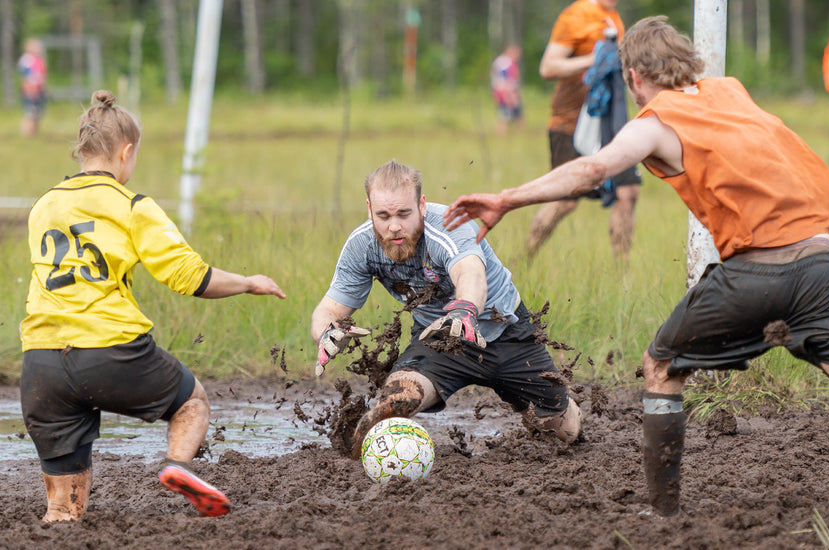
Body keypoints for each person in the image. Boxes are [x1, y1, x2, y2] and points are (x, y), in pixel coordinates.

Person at [444, 16, 829, 517]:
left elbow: (595, 168)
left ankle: (663, 509)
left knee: (662, 366)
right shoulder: (730, 90)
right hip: (821, 261)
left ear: (633, 77)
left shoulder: (656, 121)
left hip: (758, 268)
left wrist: (507, 199)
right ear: (689, 63)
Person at [19, 90, 286, 522]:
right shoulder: (131, 205)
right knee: (191, 402)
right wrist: (248, 283)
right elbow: (190, 277)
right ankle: (177, 468)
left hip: (40, 364)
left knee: (65, 512)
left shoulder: (42, 205)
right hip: (109, 351)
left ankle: (62, 519)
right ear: (126, 153)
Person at [310, 160, 581, 458]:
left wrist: (465, 310)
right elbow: (329, 309)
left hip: (505, 333)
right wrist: (326, 331)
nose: (395, 226)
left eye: (404, 213)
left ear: (422, 205)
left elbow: (471, 274)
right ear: (369, 209)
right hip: (437, 339)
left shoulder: (451, 225)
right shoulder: (361, 246)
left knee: (563, 433)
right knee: (393, 404)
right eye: (383, 215)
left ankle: (558, 403)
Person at [529, 0, 642, 260]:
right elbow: (548, 67)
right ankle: (523, 259)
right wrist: (595, 59)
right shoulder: (575, 15)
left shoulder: (612, 14)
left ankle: (621, 277)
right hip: (571, 123)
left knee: (627, 193)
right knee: (565, 199)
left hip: (609, 124)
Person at [18, 38, 48, 138]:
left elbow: (42, 75)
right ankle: (27, 134)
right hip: (30, 90)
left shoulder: (39, 60)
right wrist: (29, 88)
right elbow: (25, 76)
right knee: (29, 112)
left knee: (38, 113)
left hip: (39, 89)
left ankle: (35, 133)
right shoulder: (26, 59)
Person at [491, 44, 524, 134]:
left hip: (504, 91)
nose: (518, 56)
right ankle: (503, 133)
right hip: (505, 92)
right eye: (517, 53)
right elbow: (505, 80)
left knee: (513, 113)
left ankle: (517, 134)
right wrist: (510, 94)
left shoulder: (502, 61)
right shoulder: (505, 62)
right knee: (506, 113)